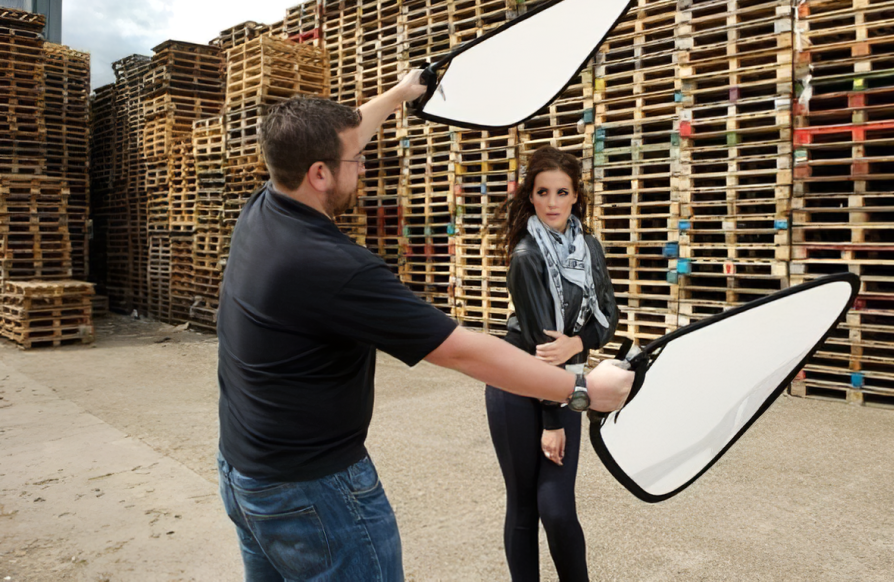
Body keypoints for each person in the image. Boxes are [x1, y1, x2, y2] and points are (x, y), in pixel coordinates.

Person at [215, 72, 634, 582]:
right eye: (357, 159)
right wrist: (581, 389)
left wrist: (400, 94)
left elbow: (345, 133)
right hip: (315, 493)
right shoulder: (334, 267)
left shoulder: (263, 209)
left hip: (246, 472)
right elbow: (461, 351)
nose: (363, 165)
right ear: (320, 174)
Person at [486, 146, 619, 582]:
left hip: (566, 382)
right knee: (525, 506)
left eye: (562, 192)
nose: (552, 203)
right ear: (531, 196)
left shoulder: (589, 247)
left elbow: (609, 315)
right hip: (517, 385)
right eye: (542, 192)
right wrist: (552, 420)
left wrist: (579, 341)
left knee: (558, 509)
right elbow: (544, 345)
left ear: (576, 195)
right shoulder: (526, 255)